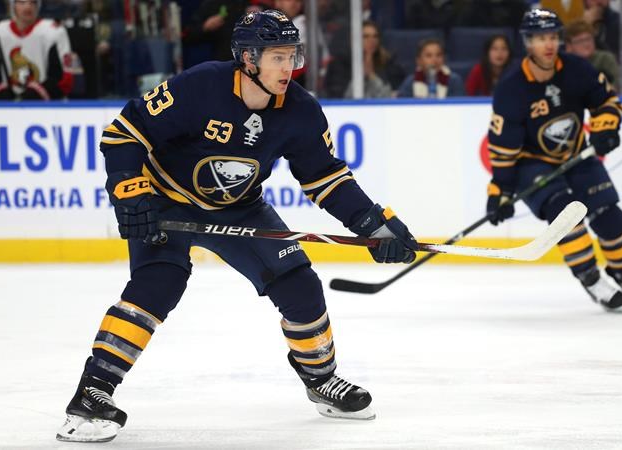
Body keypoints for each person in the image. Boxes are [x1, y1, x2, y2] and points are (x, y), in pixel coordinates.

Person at [56, 9, 417, 443]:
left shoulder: (300, 110)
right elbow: (124, 134)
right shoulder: (200, 86)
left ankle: (321, 380)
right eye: (278, 57)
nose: (289, 67)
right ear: (248, 58)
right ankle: (91, 393)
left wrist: (372, 224)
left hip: (238, 208)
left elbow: (326, 178)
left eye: (292, 56)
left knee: (300, 285)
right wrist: (131, 192)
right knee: (157, 286)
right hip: (166, 201)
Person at [486, 8, 622, 309]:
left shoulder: (577, 69)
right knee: (564, 213)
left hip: (576, 154)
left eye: (552, 36)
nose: (548, 44)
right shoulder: (511, 87)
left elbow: (606, 101)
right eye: (539, 38)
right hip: (532, 163)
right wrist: (500, 192)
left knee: (609, 214)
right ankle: (591, 279)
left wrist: (605, 127)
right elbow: (503, 148)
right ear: (527, 42)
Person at [0, 0, 74, 100]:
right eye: (22, 2)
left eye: (33, 2)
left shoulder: (54, 32)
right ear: (13, 5)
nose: (28, 7)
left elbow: (64, 80)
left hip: (47, 104)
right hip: (7, 105)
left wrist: (39, 92)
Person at [324, 20, 405, 98]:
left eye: (375, 36)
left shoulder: (388, 62)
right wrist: (361, 75)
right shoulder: (340, 64)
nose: (371, 40)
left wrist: (371, 76)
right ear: (354, 40)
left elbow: (392, 95)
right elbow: (340, 96)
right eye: (365, 36)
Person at [396, 38, 464, 99]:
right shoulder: (410, 82)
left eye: (439, 55)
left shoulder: (454, 81)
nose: (435, 60)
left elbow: (459, 105)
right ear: (419, 61)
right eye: (429, 56)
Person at [564, 19, 620, 92]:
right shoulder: (564, 63)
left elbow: (615, 87)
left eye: (588, 39)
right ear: (569, 46)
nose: (586, 44)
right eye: (580, 41)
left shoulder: (605, 59)